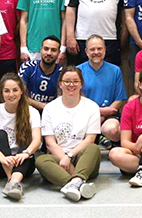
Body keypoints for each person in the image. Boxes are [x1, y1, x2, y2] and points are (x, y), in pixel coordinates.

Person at [36, 66, 102, 201]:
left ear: (81, 84)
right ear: (60, 84)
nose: (71, 85)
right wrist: (64, 158)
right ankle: (77, 183)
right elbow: (49, 143)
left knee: (93, 148)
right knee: (41, 160)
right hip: (59, 159)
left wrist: (70, 156)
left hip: (83, 160)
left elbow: (90, 139)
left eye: (75, 81)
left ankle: (74, 181)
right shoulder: (50, 108)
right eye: (67, 81)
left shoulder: (92, 107)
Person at [0, 73, 41, 200]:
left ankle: (13, 182)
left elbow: (37, 139)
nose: (11, 94)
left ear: (21, 91)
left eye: (15, 90)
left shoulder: (32, 112)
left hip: (23, 163)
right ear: (2, 93)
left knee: (27, 139)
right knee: (0, 134)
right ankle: (12, 181)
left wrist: (26, 153)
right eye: (7, 91)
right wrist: (2, 158)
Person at [78, 35, 128, 146]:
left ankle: (103, 137)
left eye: (99, 49)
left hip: (109, 114)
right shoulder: (78, 71)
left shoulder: (115, 70)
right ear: (86, 52)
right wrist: (98, 112)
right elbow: (77, 100)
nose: (96, 52)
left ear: (105, 50)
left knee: (112, 130)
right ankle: (99, 137)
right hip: (85, 115)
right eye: (92, 49)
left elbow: (119, 99)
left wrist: (106, 113)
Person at [18, 35, 64, 111]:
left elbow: (62, 100)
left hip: (52, 112)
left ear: (59, 52)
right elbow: (20, 95)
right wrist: (44, 106)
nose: (49, 53)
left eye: (53, 50)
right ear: (41, 50)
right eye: (46, 49)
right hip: (28, 111)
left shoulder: (62, 73)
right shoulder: (27, 67)